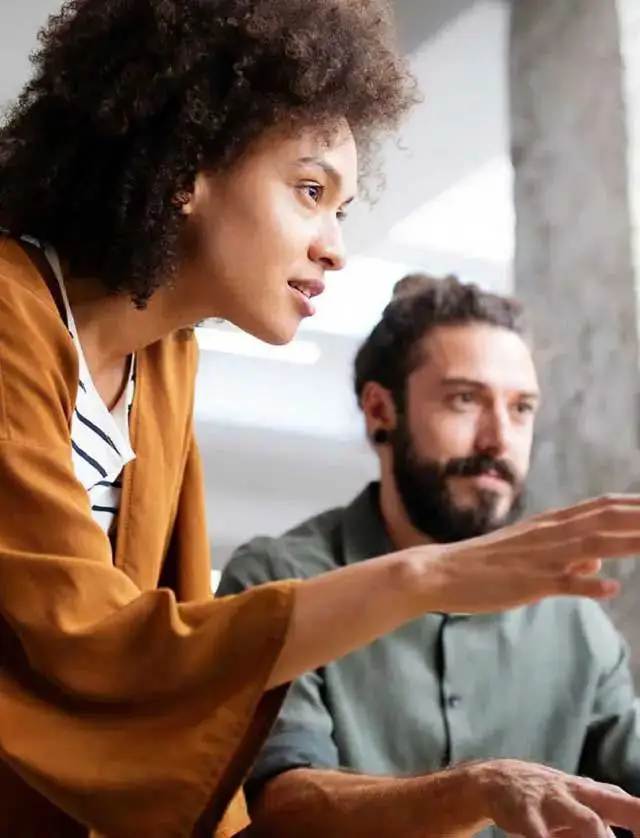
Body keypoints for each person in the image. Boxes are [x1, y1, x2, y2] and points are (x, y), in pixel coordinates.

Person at [1, 2, 640, 836]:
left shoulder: (161, 363)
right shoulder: (11, 315)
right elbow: (95, 646)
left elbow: (181, 666)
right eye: (311, 191)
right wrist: (427, 578)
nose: (335, 243)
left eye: (341, 207)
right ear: (187, 166)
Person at [220, 274, 640, 838]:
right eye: (465, 399)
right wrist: (477, 789)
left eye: (521, 409)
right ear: (379, 412)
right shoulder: (279, 580)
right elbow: (285, 807)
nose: (497, 439)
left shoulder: (576, 618)